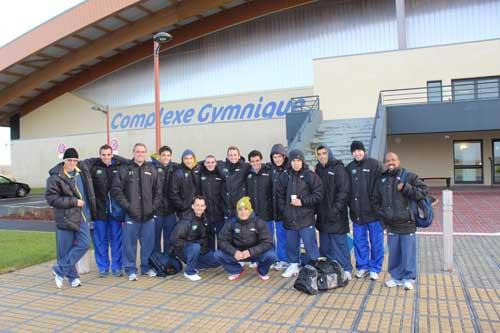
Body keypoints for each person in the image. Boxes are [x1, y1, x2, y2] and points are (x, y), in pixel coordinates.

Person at [373, 152, 428, 290]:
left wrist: (405, 188)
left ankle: (409, 278)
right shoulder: (382, 179)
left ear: (398, 161)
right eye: (387, 160)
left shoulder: (409, 176)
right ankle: (396, 277)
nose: (390, 162)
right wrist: (382, 214)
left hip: (407, 224)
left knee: (408, 253)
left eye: (393, 159)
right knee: (394, 253)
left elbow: (423, 191)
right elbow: (375, 200)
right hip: (391, 225)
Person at [111, 143, 162, 281]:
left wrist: (153, 207)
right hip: (131, 215)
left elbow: (158, 191)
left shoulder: (151, 169)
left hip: (148, 215)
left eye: (143, 152)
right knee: (129, 244)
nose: (140, 154)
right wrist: (128, 206)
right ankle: (130, 269)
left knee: (148, 244)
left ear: (146, 153)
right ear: (133, 153)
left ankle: (145, 268)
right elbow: (116, 190)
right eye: (138, 151)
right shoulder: (125, 169)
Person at [46, 148, 94, 288]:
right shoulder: (55, 178)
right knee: (65, 249)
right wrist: (74, 202)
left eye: (75, 160)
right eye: (69, 160)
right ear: (64, 161)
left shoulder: (81, 172)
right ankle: (73, 277)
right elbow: (52, 199)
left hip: (82, 216)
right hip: (66, 217)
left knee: (85, 244)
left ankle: (59, 270)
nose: (72, 163)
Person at [81, 144, 126, 277]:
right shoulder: (94, 167)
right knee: (100, 241)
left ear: (112, 155)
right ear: (100, 155)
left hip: (115, 212)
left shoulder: (119, 167)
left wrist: (116, 157)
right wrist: (96, 159)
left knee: (117, 241)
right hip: (99, 212)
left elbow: (129, 161)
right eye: (103, 154)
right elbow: (81, 164)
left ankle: (117, 268)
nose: (106, 157)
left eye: (108, 154)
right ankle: (103, 268)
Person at [277, 149, 324, 278]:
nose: (296, 163)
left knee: (310, 245)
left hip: (306, 218)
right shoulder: (285, 176)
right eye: (293, 160)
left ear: (302, 161)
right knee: (291, 244)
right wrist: (284, 210)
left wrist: (302, 202)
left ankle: (314, 268)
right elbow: (279, 195)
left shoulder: (310, 175)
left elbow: (318, 195)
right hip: (290, 218)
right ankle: (293, 265)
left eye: (298, 160)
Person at [346, 140, 384, 281]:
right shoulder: (349, 167)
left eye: (359, 150)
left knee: (376, 242)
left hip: (374, 214)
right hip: (357, 214)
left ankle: (375, 268)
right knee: (359, 242)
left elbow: (382, 186)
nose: (357, 153)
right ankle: (362, 266)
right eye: (354, 151)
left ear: (364, 150)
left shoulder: (375, 165)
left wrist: (379, 207)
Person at [214, 197, 277, 281]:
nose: (243, 212)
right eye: (240, 209)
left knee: (271, 255)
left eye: (246, 209)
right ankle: (236, 270)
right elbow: (222, 241)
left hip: (255, 253)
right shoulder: (231, 222)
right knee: (218, 255)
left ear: (250, 210)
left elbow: (268, 242)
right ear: (237, 211)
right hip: (238, 253)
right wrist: (234, 252)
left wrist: (251, 251)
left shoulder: (259, 222)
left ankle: (261, 270)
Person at [314, 144, 352, 280]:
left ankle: (346, 268)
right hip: (323, 216)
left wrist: (336, 209)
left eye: (324, 153)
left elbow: (344, 192)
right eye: (319, 154)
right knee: (325, 246)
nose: (322, 156)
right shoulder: (317, 170)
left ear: (329, 153)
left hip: (336, 215)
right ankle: (331, 269)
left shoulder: (338, 168)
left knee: (340, 244)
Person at [170, 195, 220, 281]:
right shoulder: (186, 220)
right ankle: (189, 271)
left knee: (218, 258)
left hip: (200, 251)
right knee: (195, 247)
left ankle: (195, 264)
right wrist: (192, 244)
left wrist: (205, 249)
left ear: (205, 207)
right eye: (197, 205)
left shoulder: (205, 219)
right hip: (185, 251)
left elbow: (206, 237)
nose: (199, 208)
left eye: (202, 205)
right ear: (192, 206)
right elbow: (174, 239)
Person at [151, 146, 179, 253]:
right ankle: (157, 263)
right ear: (159, 156)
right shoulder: (152, 168)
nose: (166, 157)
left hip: (170, 212)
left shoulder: (175, 168)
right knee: (155, 239)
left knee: (169, 239)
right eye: (163, 155)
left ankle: (168, 262)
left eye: (168, 155)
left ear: (171, 156)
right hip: (156, 211)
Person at [268, 143, 289, 270]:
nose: (277, 159)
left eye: (279, 156)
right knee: (279, 236)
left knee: (286, 237)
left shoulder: (289, 170)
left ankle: (286, 259)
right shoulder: (271, 169)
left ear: (284, 156)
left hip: (287, 210)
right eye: (275, 157)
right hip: (275, 210)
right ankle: (280, 259)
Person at [199, 155, 225, 250]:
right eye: (208, 162)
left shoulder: (220, 175)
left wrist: (223, 208)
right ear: (205, 164)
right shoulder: (201, 175)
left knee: (221, 238)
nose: (210, 164)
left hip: (219, 213)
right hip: (206, 214)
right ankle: (211, 258)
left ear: (216, 163)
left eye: (212, 162)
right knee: (209, 238)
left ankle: (221, 258)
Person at [217, 146, 250, 221]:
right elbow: (209, 162)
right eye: (230, 155)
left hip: (241, 210)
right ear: (227, 157)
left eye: (235, 155)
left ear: (239, 156)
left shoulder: (245, 166)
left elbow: (257, 165)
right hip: (227, 210)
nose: (233, 157)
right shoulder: (221, 166)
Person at [169, 149, 200, 219]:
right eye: (186, 158)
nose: (188, 161)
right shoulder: (178, 173)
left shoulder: (197, 171)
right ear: (182, 160)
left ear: (194, 159)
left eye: (190, 158)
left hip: (197, 210)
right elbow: (173, 193)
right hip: (184, 212)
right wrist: (183, 206)